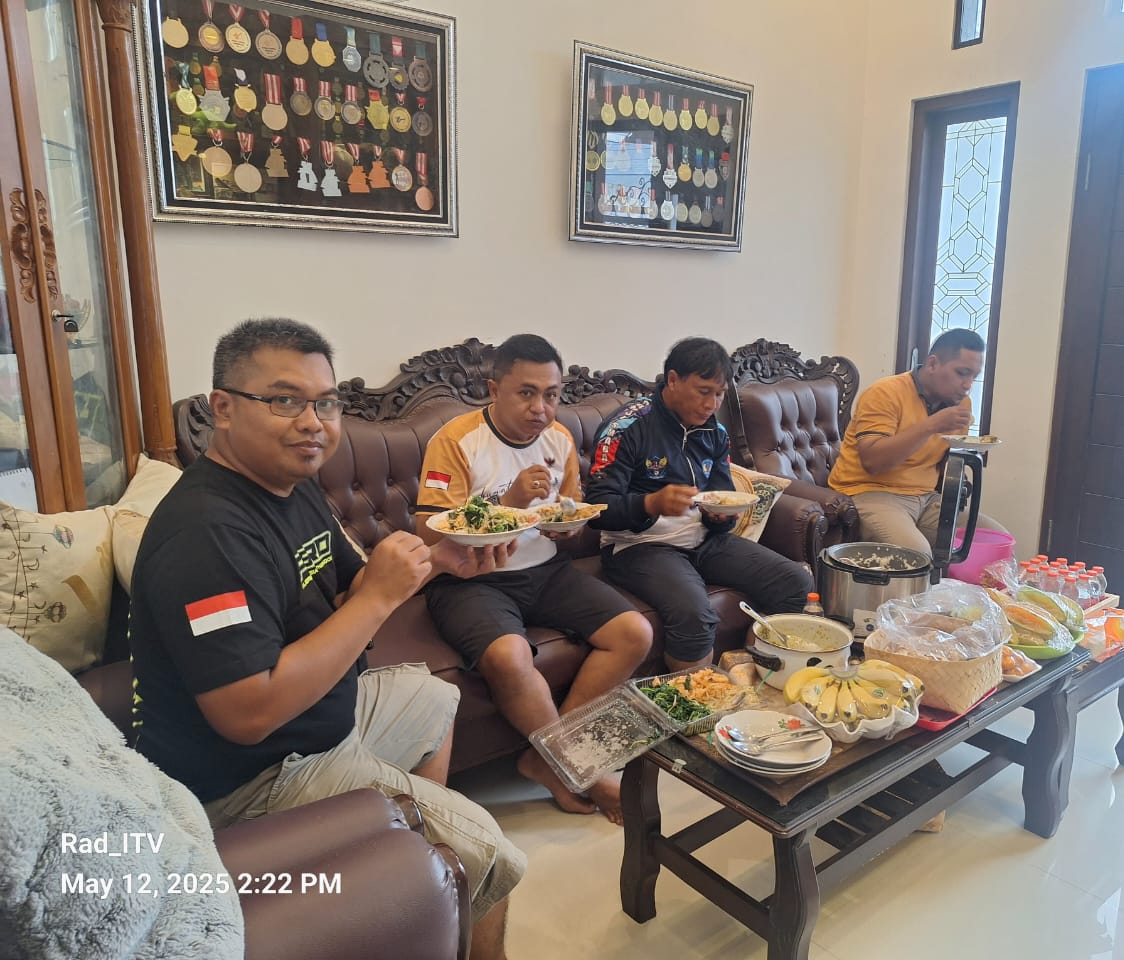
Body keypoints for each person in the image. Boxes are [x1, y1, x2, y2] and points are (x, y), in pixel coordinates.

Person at [129, 319, 523, 960]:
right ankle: (438, 865)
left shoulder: (291, 487)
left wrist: (438, 560)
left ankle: (414, 881)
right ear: (222, 408)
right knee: (491, 851)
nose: (313, 422)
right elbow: (246, 714)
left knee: (432, 698)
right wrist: (377, 598)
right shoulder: (206, 534)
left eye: (327, 402)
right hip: (253, 776)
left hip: (318, 719)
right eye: (285, 400)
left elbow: (350, 591)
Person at [416, 334, 652, 825]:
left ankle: (548, 760)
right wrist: (510, 503)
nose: (540, 408)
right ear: (494, 389)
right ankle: (575, 767)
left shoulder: (558, 439)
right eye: (526, 393)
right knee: (509, 655)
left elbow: (570, 513)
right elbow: (429, 532)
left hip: (544, 569)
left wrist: (566, 527)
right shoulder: (455, 440)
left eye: (551, 395)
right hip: (471, 580)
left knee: (634, 633)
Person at [585, 336, 813, 671]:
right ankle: (695, 699)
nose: (711, 404)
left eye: (719, 394)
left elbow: (721, 495)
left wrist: (720, 516)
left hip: (703, 539)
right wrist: (650, 504)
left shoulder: (714, 433)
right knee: (694, 614)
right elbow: (597, 509)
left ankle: (750, 673)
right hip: (639, 546)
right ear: (673, 380)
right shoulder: (627, 427)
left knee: (796, 583)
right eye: (704, 391)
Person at [827, 328, 1007, 556]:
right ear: (932, 364)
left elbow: (943, 459)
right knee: (917, 553)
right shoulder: (885, 393)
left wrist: (966, 456)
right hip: (870, 491)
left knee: (997, 541)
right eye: (962, 373)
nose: (968, 385)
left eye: (974, 376)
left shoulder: (961, 404)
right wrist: (931, 425)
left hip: (927, 497)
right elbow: (873, 461)